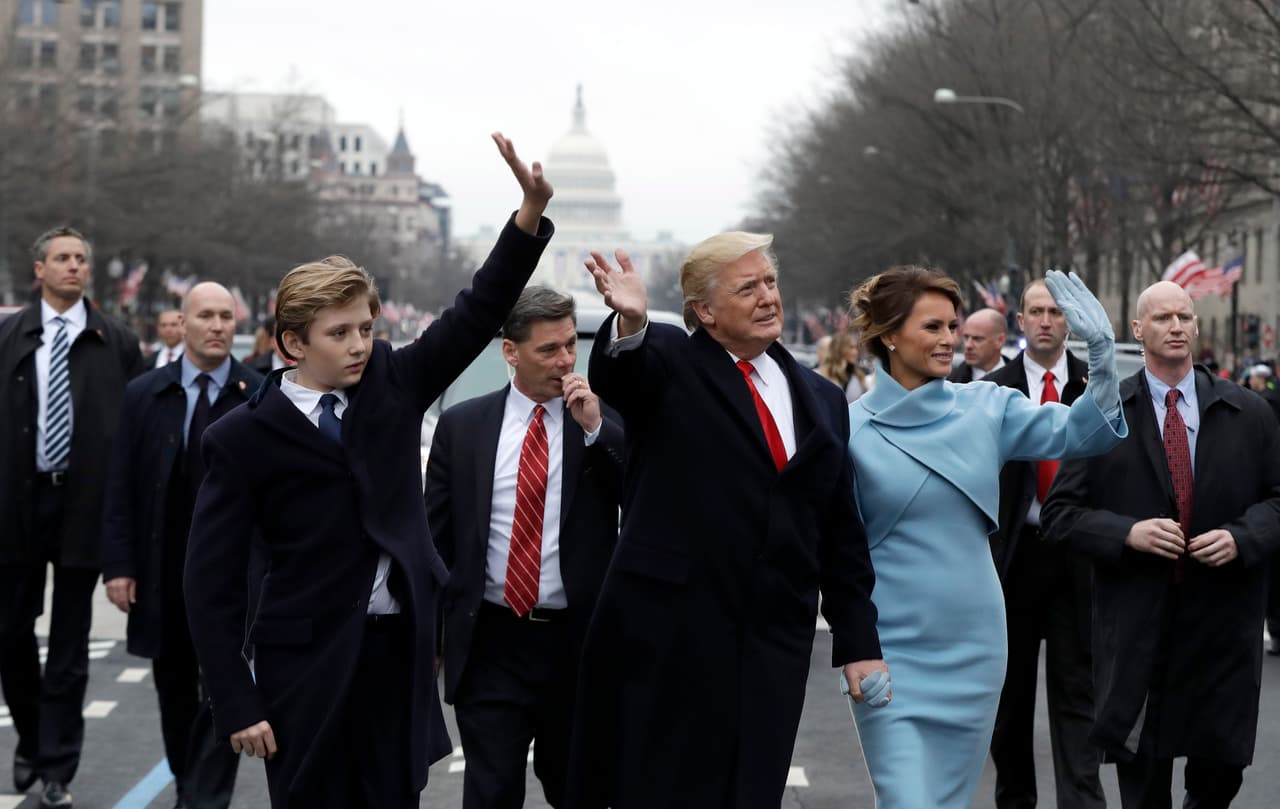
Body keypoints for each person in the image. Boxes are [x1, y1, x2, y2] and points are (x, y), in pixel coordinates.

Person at [182, 133, 553, 809]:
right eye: (340, 332)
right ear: (294, 342)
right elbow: (209, 584)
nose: (359, 344)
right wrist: (236, 700)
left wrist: (527, 217)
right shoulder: (241, 437)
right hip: (303, 666)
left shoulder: (394, 381)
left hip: (395, 660)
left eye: (365, 327)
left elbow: (475, 311)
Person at [566, 233, 885, 809]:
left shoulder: (821, 397)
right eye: (747, 288)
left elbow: (839, 529)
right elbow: (624, 378)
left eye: (769, 282)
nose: (768, 297)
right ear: (705, 312)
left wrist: (859, 640)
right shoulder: (668, 365)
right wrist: (632, 323)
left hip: (772, 647)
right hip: (672, 641)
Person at [844, 266, 1125, 809]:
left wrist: (1104, 356)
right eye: (932, 327)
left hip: (974, 649)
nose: (950, 339)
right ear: (888, 335)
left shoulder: (987, 406)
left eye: (953, 326)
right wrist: (856, 646)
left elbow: (1080, 433)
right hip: (890, 654)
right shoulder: (847, 428)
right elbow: (836, 554)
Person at [1042, 281, 1280, 809]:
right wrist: (1127, 532)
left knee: (1220, 772)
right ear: (1137, 330)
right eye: (1161, 318)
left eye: (1183, 316)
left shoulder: (1250, 413)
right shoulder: (1105, 412)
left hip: (1221, 623)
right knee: (1143, 779)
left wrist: (1243, 537)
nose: (1175, 327)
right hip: (1138, 625)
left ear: (1195, 326)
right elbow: (1059, 514)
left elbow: (1277, 500)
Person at [426, 286, 624, 809]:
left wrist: (596, 428)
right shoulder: (462, 426)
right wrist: (435, 636)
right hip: (491, 641)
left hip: (576, 642)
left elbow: (643, 491)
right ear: (510, 352)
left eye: (568, 346)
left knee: (579, 789)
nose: (564, 360)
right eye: (548, 350)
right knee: (490, 792)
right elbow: (435, 537)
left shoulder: (601, 420)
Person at [0, 226, 147, 808]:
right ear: (39, 268)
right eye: (62, 258)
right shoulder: (9, 336)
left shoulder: (116, 341)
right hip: (16, 504)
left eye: (81, 259)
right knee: (9, 633)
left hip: (85, 503)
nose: (73, 267)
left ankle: (58, 767)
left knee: (68, 644)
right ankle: (33, 740)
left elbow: (135, 431)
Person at [100, 283, 262, 809]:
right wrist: (119, 566)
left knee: (224, 685)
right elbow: (120, 485)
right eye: (206, 316)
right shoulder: (145, 394)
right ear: (183, 323)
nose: (217, 325)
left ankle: (204, 797)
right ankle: (190, 782)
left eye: (225, 316)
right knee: (172, 687)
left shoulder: (259, 394)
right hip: (162, 567)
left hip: (235, 577)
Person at [983, 279, 1104, 809]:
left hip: (1077, 554)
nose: (1047, 321)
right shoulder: (992, 389)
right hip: (1015, 556)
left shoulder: (1097, 383)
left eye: (1056, 312)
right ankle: (1016, 800)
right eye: (1036, 311)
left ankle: (1081, 800)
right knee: (1009, 700)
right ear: (1020, 321)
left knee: (1078, 691)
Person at [948, 307, 1007, 382]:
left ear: (1000, 340)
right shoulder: (949, 384)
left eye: (977, 339)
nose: (968, 345)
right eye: (966, 337)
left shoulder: (1022, 377)